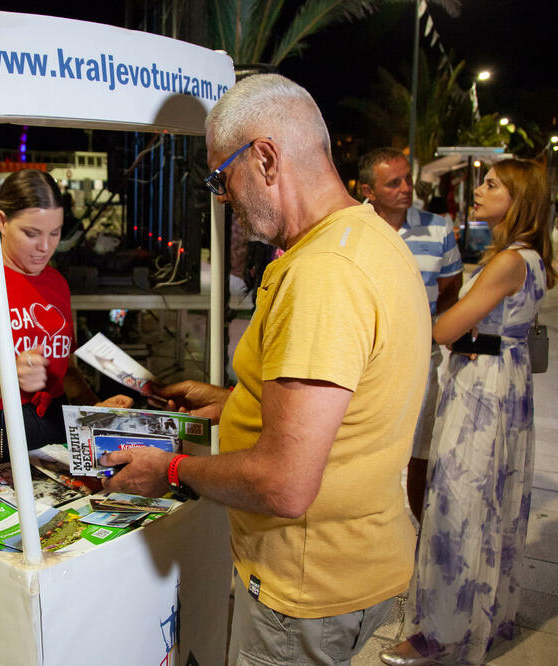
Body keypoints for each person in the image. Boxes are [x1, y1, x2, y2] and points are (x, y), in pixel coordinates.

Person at [102, 74, 430, 665]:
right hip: (359, 564)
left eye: (219, 178)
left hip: (306, 590)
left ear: (266, 158)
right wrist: (238, 399)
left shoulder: (323, 274)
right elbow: (344, 400)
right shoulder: (369, 239)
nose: (220, 197)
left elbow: (284, 482)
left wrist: (172, 467)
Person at [380, 159, 555, 666]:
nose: (478, 190)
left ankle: (439, 631)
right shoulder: (531, 258)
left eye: (492, 184)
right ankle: (486, 614)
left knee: (458, 504)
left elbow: (443, 329)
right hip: (505, 383)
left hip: (483, 390)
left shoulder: (506, 262)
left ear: (518, 199)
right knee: (492, 503)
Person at [0, 169, 130, 474]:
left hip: (54, 423)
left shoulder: (56, 283)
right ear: (1, 221)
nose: (45, 246)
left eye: (55, 233)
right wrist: (9, 374)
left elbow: (64, 369)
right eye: (31, 233)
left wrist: (96, 409)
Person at [359, 147, 463, 522]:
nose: (407, 189)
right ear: (368, 191)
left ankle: (419, 530)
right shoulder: (352, 227)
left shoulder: (437, 229)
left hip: (421, 360)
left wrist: (432, 327)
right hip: (365, 363)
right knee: (365, 451)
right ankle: (368, 523)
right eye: (394, 182)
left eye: (407, 179)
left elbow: (451, 287)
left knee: (421, 449)